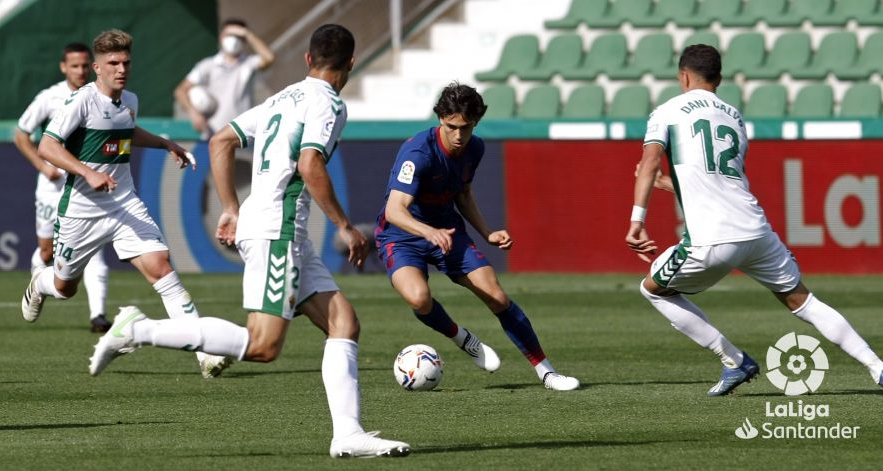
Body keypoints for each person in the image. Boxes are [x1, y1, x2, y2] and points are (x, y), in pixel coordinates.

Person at [87, 24, 409, 459]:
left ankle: (348, 435)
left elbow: (221, 139)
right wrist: (344, 225)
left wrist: (230, 207)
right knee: (262, 345)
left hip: (275, 226)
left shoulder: (282, 97)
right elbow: (311, 164)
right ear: (350, 63)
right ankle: (137, 330)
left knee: (343, 324)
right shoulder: (330, 104)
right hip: (278, 229)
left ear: (308, 59)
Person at [626, 44, 883, 396]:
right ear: (719, 77)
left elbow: (651, 160)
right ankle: (877, 366)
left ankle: (733, 360)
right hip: (757, 231)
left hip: (710, 239)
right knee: (803, 301)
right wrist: (671, 185)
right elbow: (718, 183)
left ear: (683, 76)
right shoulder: (733, 116)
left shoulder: (667, 111)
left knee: (653, 290)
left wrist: (637, 218)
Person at [24, 29, 231, 379]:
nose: (121, 69)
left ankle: (205, 353)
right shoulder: (79, 102)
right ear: (96, 67)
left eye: (126, 62)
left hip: (123, 204)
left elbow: (127, 131)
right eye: (113, 63)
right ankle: (39, 283)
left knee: (162, 268)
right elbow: (47, 147)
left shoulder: (129, 100)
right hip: (82, 210)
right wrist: (87, 172)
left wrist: (166, 144)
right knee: (65, 287)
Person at [373, 82, 580, 391]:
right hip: (402, 236)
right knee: (419, 298)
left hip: (448, 231)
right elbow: (395, 210)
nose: (458, 135)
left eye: (466, 128)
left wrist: (487, 232)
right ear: (440, 119)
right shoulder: (417, 153)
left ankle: (547, 373)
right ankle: (462, 337)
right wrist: (429, 232)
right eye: (451, 126)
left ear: (476, 122)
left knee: (496, 296)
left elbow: (464, 193)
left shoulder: (475, 148)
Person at [15, 42, 112, 333]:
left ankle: (98, 315)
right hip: (52, 187)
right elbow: (22, 134)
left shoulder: (103, 96)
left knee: (95, 248)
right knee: (47, 251)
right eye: (74, 66)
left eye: (85, 65)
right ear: (63, 67)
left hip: (85, 185)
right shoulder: (50, 97)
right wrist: (44, 166)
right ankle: (39, 282)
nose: (80, 71)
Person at [174, 18, 275, 138]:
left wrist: (247, 33)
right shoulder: (208, 65)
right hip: (215, 134)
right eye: (229, 34)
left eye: (238, 36)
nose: (233, 39)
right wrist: (194, 113)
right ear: (221, 36)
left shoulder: (249, 62)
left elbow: (269, 58)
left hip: (244, 133)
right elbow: (180, 91)